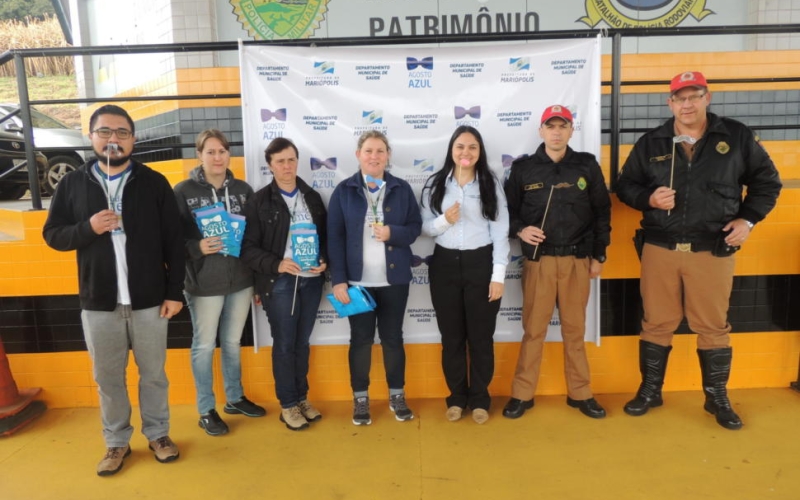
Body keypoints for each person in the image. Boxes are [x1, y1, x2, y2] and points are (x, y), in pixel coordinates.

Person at [616, 71, 781, 430]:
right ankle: (650, 390)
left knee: (712, 326)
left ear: (707, 98)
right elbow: (625, 185)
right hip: (660, 248)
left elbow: (768, 182)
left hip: (712, 250)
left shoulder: (735, 137)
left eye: (694, 96)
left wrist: (747, 220)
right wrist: (648, 198)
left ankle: (716, 397)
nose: (687, 104)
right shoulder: (652, 142)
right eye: (680, 98)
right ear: (670, 103)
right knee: (657, 323)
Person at [42, 105, 184, 476]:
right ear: (91, 138)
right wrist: (88, 227)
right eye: (105, 132)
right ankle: (116, 442)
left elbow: (175, 242)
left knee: (153, 374)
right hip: (99, 302)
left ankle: (158, 434)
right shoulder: (73, 184)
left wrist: (174, 292)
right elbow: (53, 235)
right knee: (107, 378)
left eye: (122, 132)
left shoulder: (153, 182)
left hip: (150, 300)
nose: (113, 139)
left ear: (133, 139)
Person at [502, 105, 611, 421]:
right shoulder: (524, 170)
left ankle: (581, 393)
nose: (556, 131)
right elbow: (506, 213)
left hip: (578, 260)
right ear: (541, 131)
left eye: (562, 126)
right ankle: (523, 395)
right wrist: (521, 229)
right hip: (540, 262)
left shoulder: (586, 166)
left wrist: (599, 254)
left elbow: (602, 211)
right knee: (533, 331)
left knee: (575, 332)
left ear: (570, 131)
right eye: (551, 126)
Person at [174, 129, 265, 437]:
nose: (217, 157)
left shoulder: (243, 190)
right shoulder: (183, 191)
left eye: (222, 151)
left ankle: (235, 398)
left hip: (240, 280)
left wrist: (256, 281)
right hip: (203, 283)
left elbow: (254, 237)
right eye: (210, 152)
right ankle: (205, 409)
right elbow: (171, 239)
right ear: (199, 155)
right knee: (203, 345)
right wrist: (196, 248)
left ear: (229, 155)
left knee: (231, 343)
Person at [327, 130, 422, 426]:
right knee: (361, 341)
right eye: (368, 151)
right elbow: (334, 238)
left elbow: (415, 228)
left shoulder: (401, 188)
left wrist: (392, 233)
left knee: (393, 339)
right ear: (358, 155)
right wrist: (339, 279)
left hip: (394, 283)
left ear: (388, 155)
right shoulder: (343, 191)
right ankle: (361, 399)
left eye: (380, 151)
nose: (374, 156)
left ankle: (396, 395)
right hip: (358, 285)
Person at [420, 126, 509, 424]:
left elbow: (500, 232)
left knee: (481, 337)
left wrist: (497, 276)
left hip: (480, 264)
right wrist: (445, 220)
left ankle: (481, 398)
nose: (466, 153)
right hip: (444, 265)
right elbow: (425, 228)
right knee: (452, 337)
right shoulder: (436, 185)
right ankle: (457, 397)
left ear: (480, 151)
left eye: (472, 147)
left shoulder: (489, 185)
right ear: (451, 150)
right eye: (460, 147)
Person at [240, 137, 327, 431]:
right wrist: (277, 264)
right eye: (280, 161)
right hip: (280, 282)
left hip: (311, 281)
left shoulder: (312, 197)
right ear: (270, 165)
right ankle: (288, 404)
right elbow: (248, 248)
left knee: (302, 343)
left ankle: (301, 398)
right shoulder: (259, 201)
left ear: (297, 161)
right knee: (285, 344)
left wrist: (325, 260)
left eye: (291, 160)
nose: (287, 166)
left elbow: (326, 238)